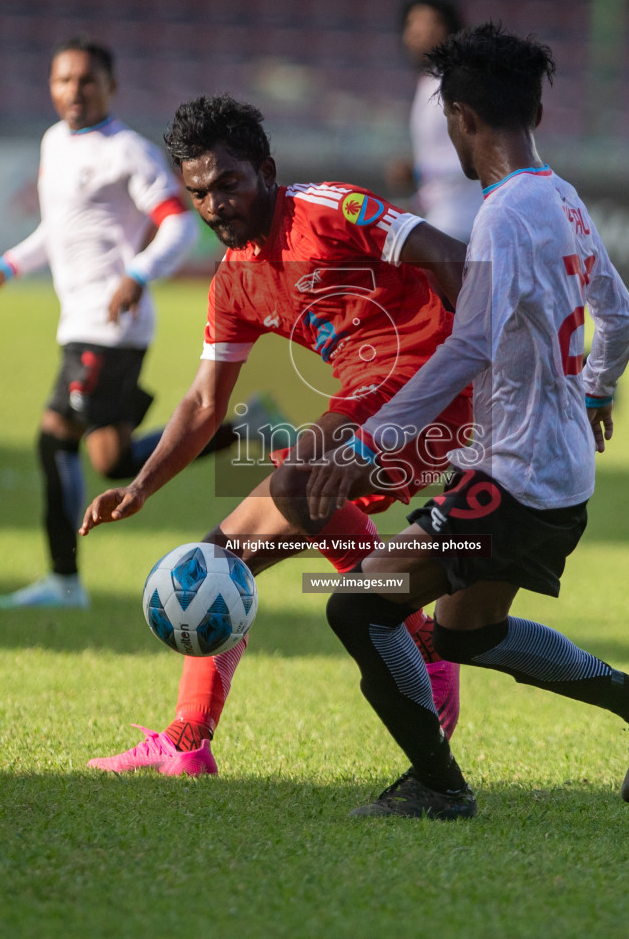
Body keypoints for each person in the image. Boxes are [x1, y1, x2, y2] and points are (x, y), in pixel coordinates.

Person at [294, 25, 629, 819]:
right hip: (555, 477)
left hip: (512, 480)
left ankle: (439, 787)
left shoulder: (503, 215)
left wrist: (369, 442)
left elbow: (468, 347)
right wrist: (594, 392)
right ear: (536, 110)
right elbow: (618, 316)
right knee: (465, 634)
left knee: (357, 604)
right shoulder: (560, 197)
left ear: (459, 118)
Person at [78, 94, 473, 777]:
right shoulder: (234, 281)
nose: (214, 205)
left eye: (228, 184)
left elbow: (450, 256)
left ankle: (420, 636)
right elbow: (205, 402)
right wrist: (140, 487)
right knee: (212, 566)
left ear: (265, 169)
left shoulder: (329, 210)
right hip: (363, 404)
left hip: (433, 389)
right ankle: (186, 742)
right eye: (198, 192)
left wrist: (502, 368)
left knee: (295, 480)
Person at [0, 38, 231, 609]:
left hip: (110, 323)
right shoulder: (55, 142)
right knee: (112, 458)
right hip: (80, 321)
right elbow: (59, 230)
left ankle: (63, 582)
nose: (73, 91)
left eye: (85, 80)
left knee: (54, 439)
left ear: (111, 87)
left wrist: (138, 272)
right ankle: (245, 426)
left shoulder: (127, 152)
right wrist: (6, 268)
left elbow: (178, 224)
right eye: (62, 80)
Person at [387, 0, 483, 242]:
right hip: (440, 219)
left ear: (451, 30)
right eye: (412, 24)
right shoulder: (428, 82)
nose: (419, 32)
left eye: (431, 23)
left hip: (463, 223)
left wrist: (417, 172)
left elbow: (482, 156)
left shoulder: (459, 85)